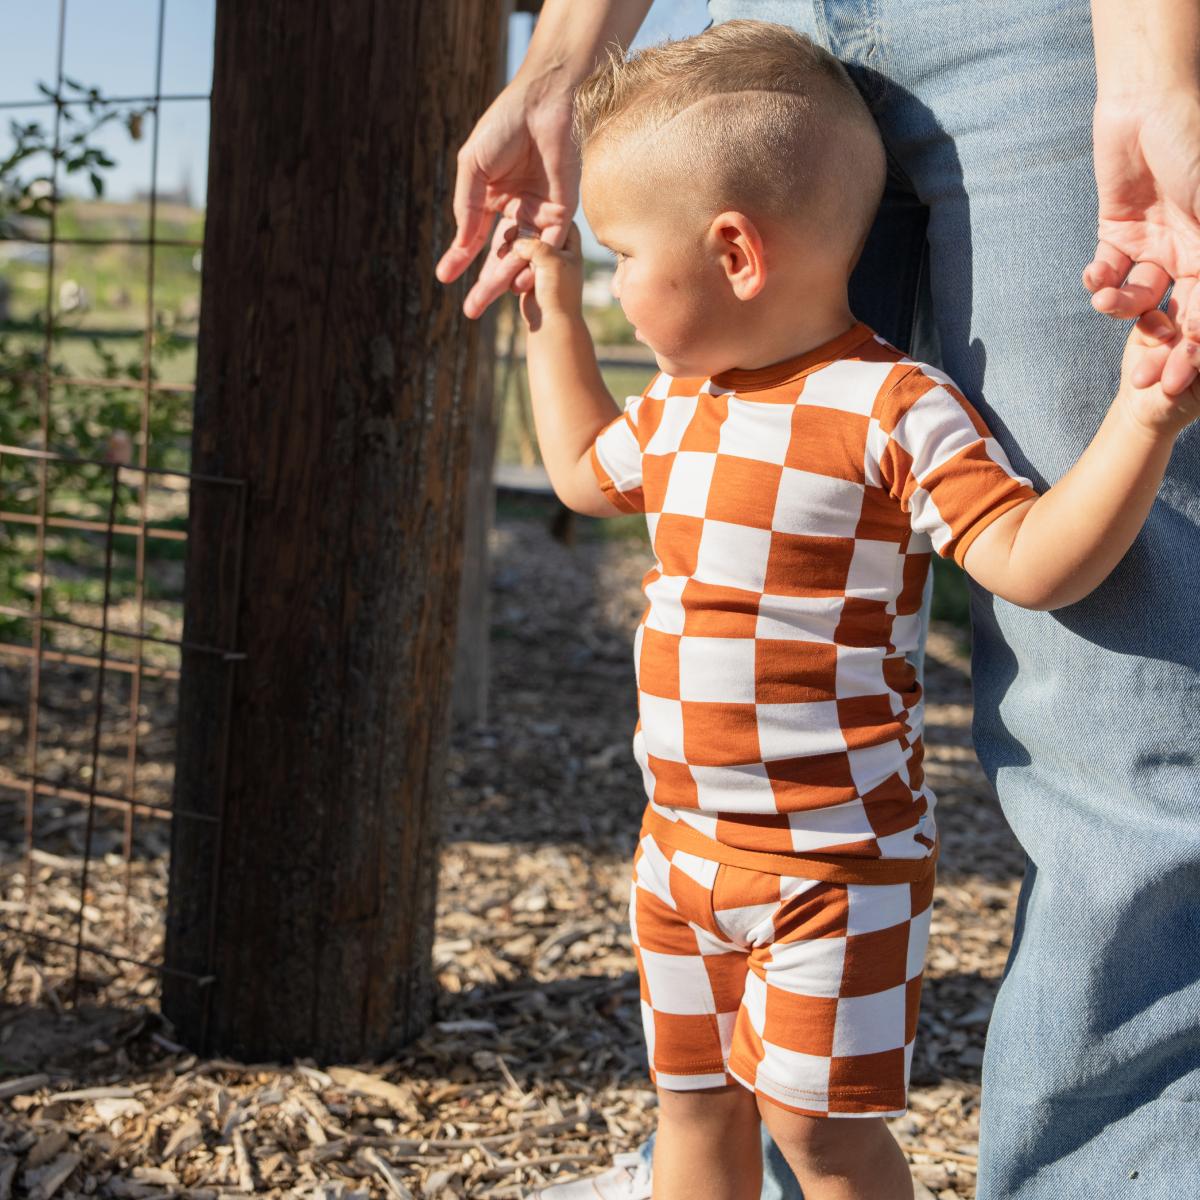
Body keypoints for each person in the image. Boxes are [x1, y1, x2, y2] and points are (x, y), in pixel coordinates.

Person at [437, 3, 1200, 1197]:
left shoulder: (891, 409)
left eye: (626, 255)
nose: (622, 282)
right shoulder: (688, 409)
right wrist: (560, 309)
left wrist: (1142, 419)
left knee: (821, 1138)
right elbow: (587, 472)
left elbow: (1037, 560)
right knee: (694, 1117)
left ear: (735, 253)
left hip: (831, 875)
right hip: (680, 858)